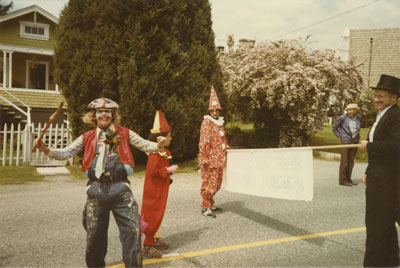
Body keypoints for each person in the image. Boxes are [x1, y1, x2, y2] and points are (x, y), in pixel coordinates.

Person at [33, 97, 165, 268]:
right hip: (96, 190)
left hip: (121, 189)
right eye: (100, 112)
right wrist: (45, 149)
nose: (104, 115)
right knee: (95, 236)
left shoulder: (124, 133)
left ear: (113, 115)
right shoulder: (86, 137)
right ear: (94, 116)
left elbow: (145, 144)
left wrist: (158, 145)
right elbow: (65, 153)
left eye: (108, 112)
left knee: (132, 232)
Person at [358, 74, 400, 267]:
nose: (376, 99)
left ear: (394, 97)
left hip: (389, 178)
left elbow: (396, 144)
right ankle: (389, 261)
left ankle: (374, 263)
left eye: (381, 96)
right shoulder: (382, 115)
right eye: (375, 95)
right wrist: (368, 169)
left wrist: (370, 147)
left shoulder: (396, 116)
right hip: (377, 175)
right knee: (382, 221)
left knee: (378, 222)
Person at [141, 110, 178, 259]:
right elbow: (153, 171)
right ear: (161, 138)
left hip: (160, 188)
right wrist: (168, 170)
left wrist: (168, 175)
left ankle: (154, 238)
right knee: (153, 214)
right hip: (154, 190)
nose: (171, 138)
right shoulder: (155, 152)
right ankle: (147, 246)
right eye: (169, 136)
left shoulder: (163, 151)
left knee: (158, 213)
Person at [198, 86, 230, 218]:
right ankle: (205, 207)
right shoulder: (207, 122)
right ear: (210, 110)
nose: (215, 112)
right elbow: (204, 141)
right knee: (209, 183)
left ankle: (210, 203)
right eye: (213, 110)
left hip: (219, 158)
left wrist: (226, 146)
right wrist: (204, 158)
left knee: (217, 182)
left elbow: (222, 138)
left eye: (217, 110)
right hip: (210, 159)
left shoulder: (220, 122)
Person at [332, 103, 362, 186]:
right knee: (344, 161)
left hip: (355, 141)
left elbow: (358, 128)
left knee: (351, 161)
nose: (350, 111)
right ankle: (342, 180)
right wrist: (340, 136)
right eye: (348, 109)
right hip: (345, 141)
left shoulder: (359, 118)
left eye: (352, 109)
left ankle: (348, 179)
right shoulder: (342, 118)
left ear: (355, 110)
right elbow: (334, 128)